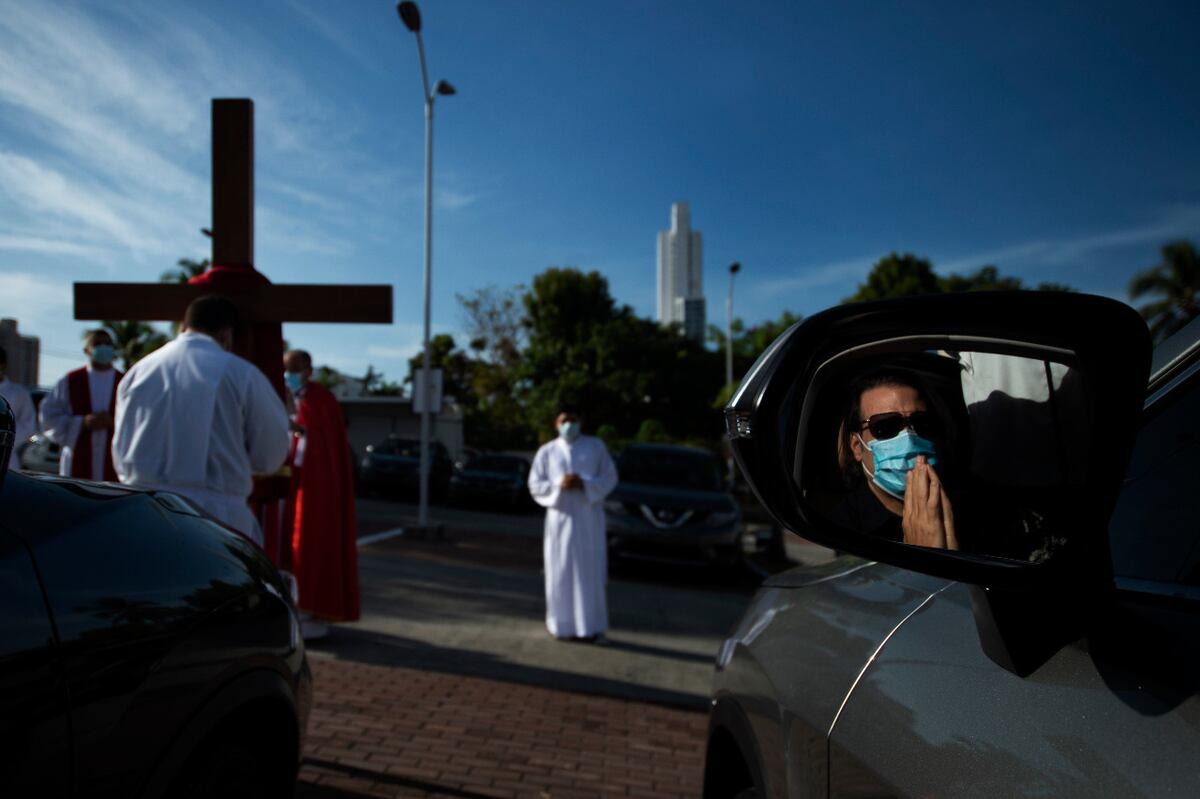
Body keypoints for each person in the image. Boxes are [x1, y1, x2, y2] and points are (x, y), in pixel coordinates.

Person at [112, 295, 290, 544]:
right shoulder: (241, 373)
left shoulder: (138, 372)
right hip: (216, 518)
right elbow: (270, 452)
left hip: (143, 511)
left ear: (183, 326)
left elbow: (120, 447)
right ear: (227, 334)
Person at [831, 370, 958, 550]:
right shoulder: (840, 529)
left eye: (922, 422)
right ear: (857, 447)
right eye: (885, 426)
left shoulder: (978, 511)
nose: (909, 437)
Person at [282, 349, 360, 638]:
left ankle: (311, 607)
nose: (288, 376)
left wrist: (298, 429)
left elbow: (322, 442)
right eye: (285, 370)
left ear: (308, 371)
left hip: (316, 485)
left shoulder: (322, 399)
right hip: (294, 482)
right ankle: (296, 605)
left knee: (311, 541)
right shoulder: (292, 397)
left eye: (293, 370)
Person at [527, 407, 618, 642]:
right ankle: (561, 626)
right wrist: (559, 486)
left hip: (589, 521)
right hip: (560, 522)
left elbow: (609, 477)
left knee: (590, 572)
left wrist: (585, 483)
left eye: (573, 419)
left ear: (581, 421)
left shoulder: (595, 447)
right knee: (560, 571)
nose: (569, 423)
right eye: (564, 420)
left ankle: (593, 627)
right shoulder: (547, 452)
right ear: (556, 424)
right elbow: (535, 484)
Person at [39, 329, 123, 481]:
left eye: (108, 343)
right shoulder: (71, 381)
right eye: (97, 344)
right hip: (78, 459)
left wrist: (114, 422)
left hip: (115, 462)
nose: (103, 347)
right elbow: (48, 416)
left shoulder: (124, 381)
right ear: (87, 350)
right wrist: (81, 423)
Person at [0, 347, 35, 470]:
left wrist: (4, 439)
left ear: (3, 365)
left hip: (7, 459)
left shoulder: (19, 393)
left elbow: (29, 426)